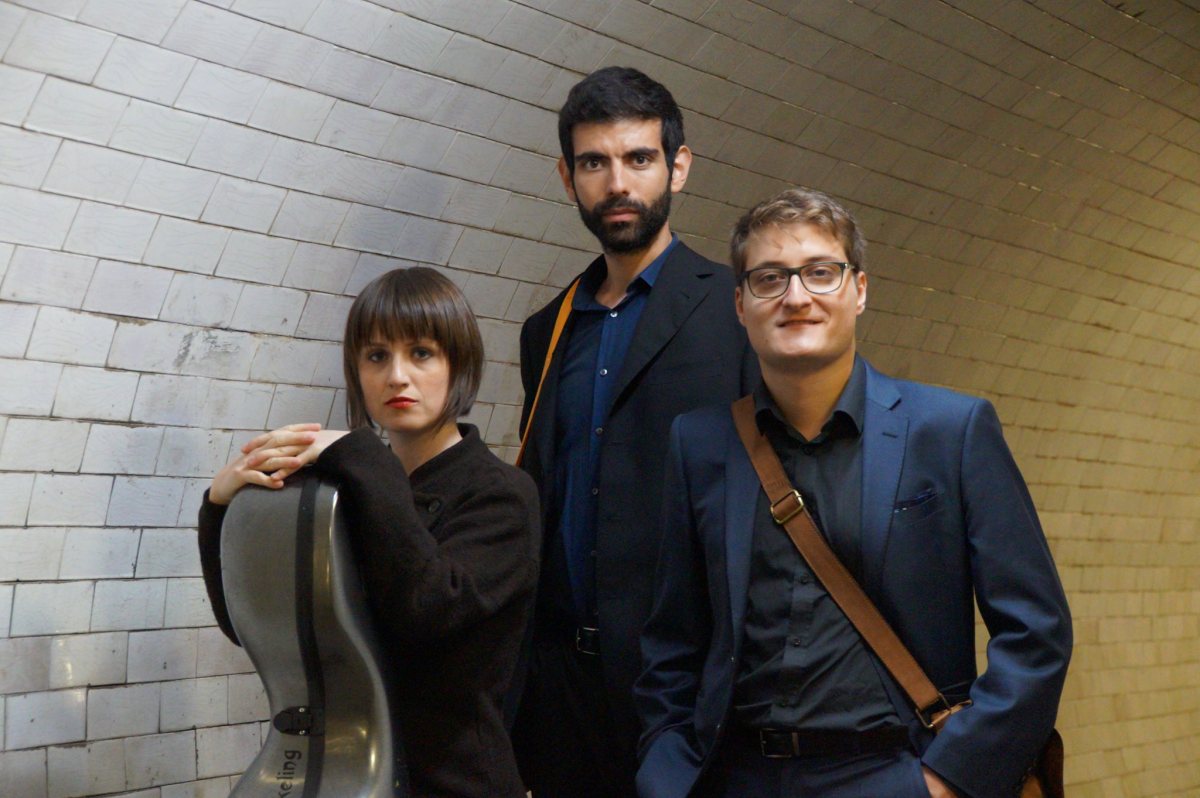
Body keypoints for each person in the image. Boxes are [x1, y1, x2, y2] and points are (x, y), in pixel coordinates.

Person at [635, 188, 1072, 798]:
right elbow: (672, 641)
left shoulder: (951, 431)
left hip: (895, 773)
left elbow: (1036, 633)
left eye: (821, 272)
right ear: (740, 304)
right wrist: (666, 773)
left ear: (859, 290)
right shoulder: (700, 443)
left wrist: (947, 779)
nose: (796, 297)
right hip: (736, 776)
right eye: (769, 278)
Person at [198, 267, 540, 798]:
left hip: (457, 782)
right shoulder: (345, 488)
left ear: (459, 364)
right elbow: (255, 626)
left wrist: (361, 455)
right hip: (345, 775)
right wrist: (220, 507)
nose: (397, 376)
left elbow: (428, 610)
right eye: (377, 356)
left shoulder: (502, 495)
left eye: (421, 353)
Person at [511, 67, 759, 798]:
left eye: (638, 159)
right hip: (563, 691)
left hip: (687, 691)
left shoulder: (738, 311)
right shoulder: (546, 329)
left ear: (678, 167)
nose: (616, 183)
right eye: (594, 163)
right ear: (568, 178)